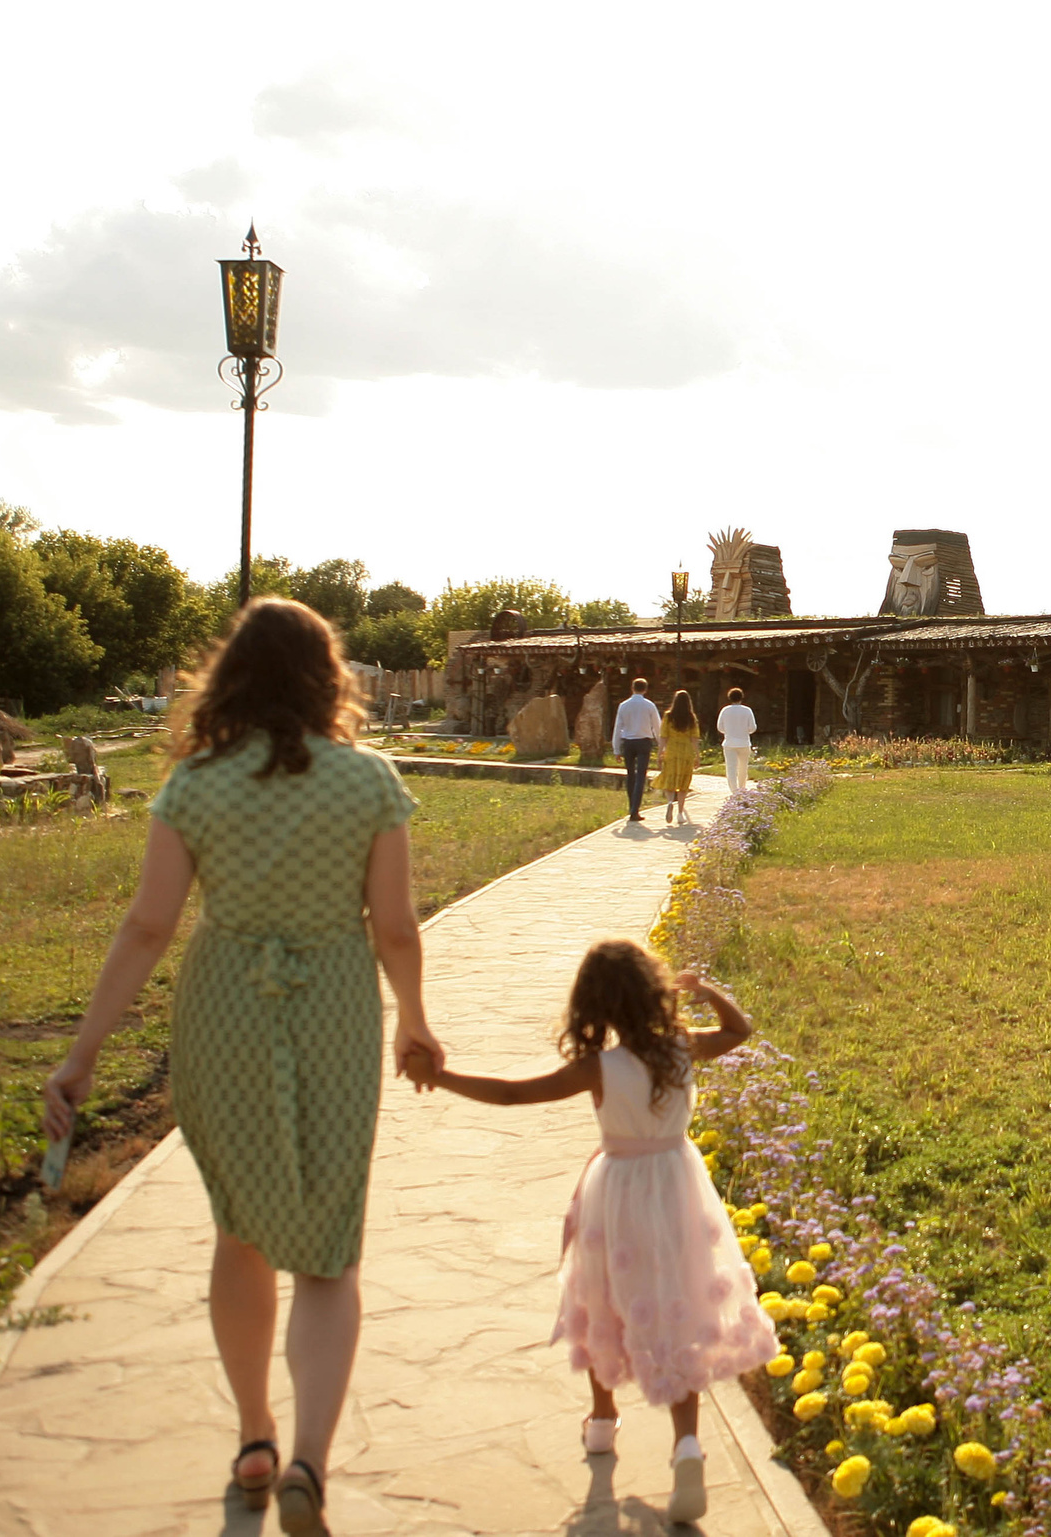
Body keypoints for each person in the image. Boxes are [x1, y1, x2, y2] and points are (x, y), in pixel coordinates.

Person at [43, 598, 443, 1537]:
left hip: (223, 1009)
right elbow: (393, 926)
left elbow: (148, 925)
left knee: (241, 1231)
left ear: (230, 677)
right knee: (328, 1249)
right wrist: (416, 1021)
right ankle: (309, 1459)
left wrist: (83, 1053)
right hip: (333, 1008)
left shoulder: (195, 784)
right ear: (326, 679)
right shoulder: (369, 781)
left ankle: (254, 1436)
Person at [424, 940, 775, 1527]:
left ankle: (603, 1422)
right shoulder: (680, 1048)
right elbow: (739, 1031)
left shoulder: (600, 1068)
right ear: (652, 991)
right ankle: (687, 1444)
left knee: (601, 1297)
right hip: (677, 1185)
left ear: (594, 1005)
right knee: (677, 1303)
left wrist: (442, 1076)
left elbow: (513, 1093)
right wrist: (704, 990)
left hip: (617, 1195)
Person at [612, 677, 660, 824]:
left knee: (630, 775)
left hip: (628, 742)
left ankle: (631, 806)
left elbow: (618, 727)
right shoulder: (649, 705)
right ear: (645, 689)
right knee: (641, 776)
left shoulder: (623, 705)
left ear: (632, 688)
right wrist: (661, 745)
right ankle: (635, 809)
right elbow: (657, 726)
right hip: (644, 742)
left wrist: (616, 748)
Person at [656, 689, 701, 824]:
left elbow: (663, 736)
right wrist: (697, 755)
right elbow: (694, 738)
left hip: (672, 751)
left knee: (669, 779)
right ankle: (680, 813)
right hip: (686, 752)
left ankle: (670, 802)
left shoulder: (668, 716)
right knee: (683, 783)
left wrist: (660, 753)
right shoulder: (691, 718)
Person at [715, 687, 756, 794]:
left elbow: (720, 727)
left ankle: (734, 790)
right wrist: (745, 731)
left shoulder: (725, 710)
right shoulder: (747, 710)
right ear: (742, 697)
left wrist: (728, 732)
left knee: (731, 767)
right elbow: (752, 728)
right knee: (743, 767)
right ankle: (742, 788)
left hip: (729, 743)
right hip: (744, 742)